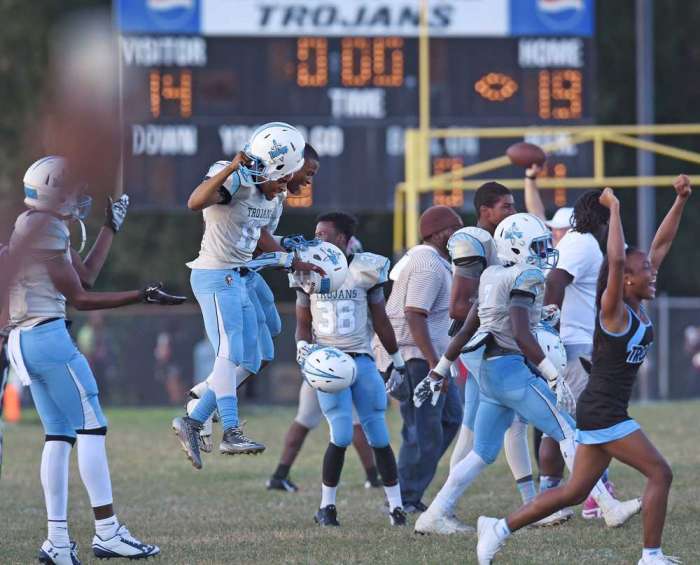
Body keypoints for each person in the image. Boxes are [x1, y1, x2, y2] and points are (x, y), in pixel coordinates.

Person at [476, 178, 691, 565]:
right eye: (646, 271)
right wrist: (616, 209)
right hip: (605, 412)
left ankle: (498, 528)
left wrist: (680, 201)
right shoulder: (613, 309)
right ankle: (651, 555)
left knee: (574, 492)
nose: (653, 273)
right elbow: (618, 261)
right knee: (660, 472)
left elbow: (659, 245)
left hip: (600, 409)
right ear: (626, 278)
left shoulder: (636, 299)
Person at [2, 156, 186, 563]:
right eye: (74, 189)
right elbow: (82, 299)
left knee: (59, 435)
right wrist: (141, 296)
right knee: (92, 426)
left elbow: (84, 277)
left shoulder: (34, 224)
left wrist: (109, 228)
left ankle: (58, 543)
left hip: (26, 339)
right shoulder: (44, 227)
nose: (80, 195)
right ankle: (107, 531)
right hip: (47, 336)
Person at [412, 212, 641, 539]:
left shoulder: (491, 274)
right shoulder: (527, 276)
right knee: (568, 430)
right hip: (510, 370)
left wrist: (439, 370)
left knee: (482, 452)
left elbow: (470, 328)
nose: (546, 249)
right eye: (538, 244)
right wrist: (552, 376)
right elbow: (520, 332)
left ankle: (433, 514)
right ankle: (607, 506)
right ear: (517, 247)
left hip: (489, 373)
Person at [172, 124, 322, 469]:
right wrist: (229, 168)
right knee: (230, 352)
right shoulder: (237, 180)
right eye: (282, 180)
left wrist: (293, 249)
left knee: (260, 355)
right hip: (215, 274)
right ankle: (231, 431)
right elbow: (195, 202)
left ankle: (199, 409)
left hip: (243, 275)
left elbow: (260, 236)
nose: (284, 188)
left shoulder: (274, 194)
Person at [442, 180, 546, 529]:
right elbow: (459, 306)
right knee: (515, 421)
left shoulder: (503, 243)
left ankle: (441, 509)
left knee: (472, 433)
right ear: (486, 211)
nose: (512, 213)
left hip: (488, 343)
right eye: (506, 207)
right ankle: (537, 506)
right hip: (484, 345)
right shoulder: (474, 239)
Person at [293, 212, 408, 527]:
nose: (318, 240)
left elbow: (381, 320)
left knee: (379, 434)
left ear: (343, 238)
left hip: (361, 359)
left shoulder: (365, 268)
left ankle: (397, 507)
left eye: (324, 234)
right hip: (328, 362)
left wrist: (397, 362)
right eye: (316, 234)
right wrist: (304, 350)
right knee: (341, 434)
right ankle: (326, 508)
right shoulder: (307, 271)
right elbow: (303, 325)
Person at [267, 216, 383, 493]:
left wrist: (304, 351)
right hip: (344, 361)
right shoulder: (358, 273)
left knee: (306, 419)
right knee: (353, 424)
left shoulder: (314, 273)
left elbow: (303, 325)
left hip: (319, 361)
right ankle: (373, 476)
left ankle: (279, 474)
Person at [537, 190, 614, 521]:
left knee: (560, 424)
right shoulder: (582, 243)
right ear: (602, 217)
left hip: (569, 341)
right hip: (573, 343)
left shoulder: (575, 242)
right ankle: (598, 495)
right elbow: (555, 281)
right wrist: (550, 330)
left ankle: (547, 493)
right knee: (588, 423)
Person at [382, 205, 464, 513]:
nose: (459, 236)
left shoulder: (434, 261)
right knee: (422, 430)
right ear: (439, 233)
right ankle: (404, 500)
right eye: (454, 230)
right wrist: (434, 366)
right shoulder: (427, 264)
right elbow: (414, 314)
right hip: (417, 357)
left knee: (449, 419)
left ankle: (408, 488)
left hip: (429, 357)